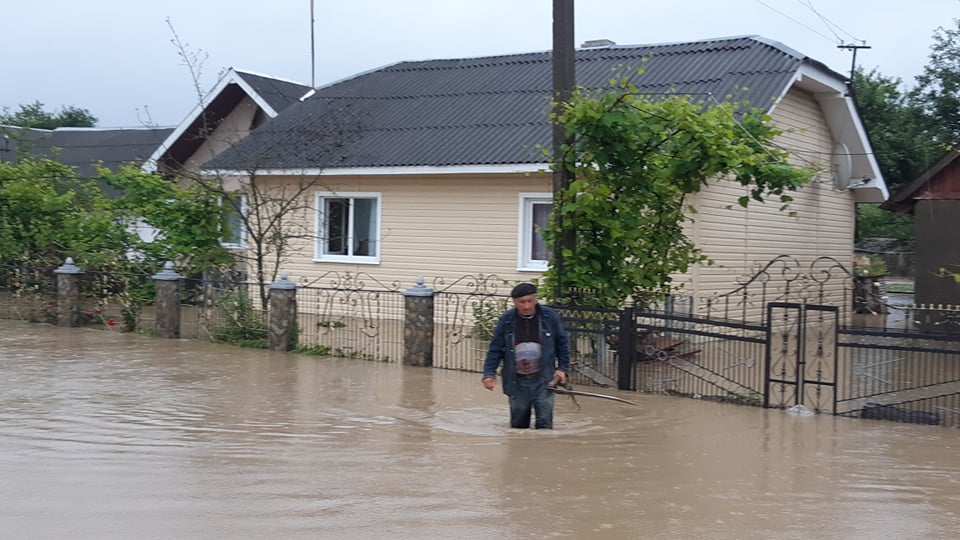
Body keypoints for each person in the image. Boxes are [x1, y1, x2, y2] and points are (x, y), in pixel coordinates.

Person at [482, 283, 571, 429]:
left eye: (530, 301)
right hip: (517, 382)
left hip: (544, 381)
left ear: (536, 300)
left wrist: (562, 368)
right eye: (522, 302)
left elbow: (562, 345)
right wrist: (488, 374)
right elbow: (495, 349)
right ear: (515, 302)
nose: (526, 306)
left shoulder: (550, 317)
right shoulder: (506, 320)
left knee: (545, 426)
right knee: (518, 427)